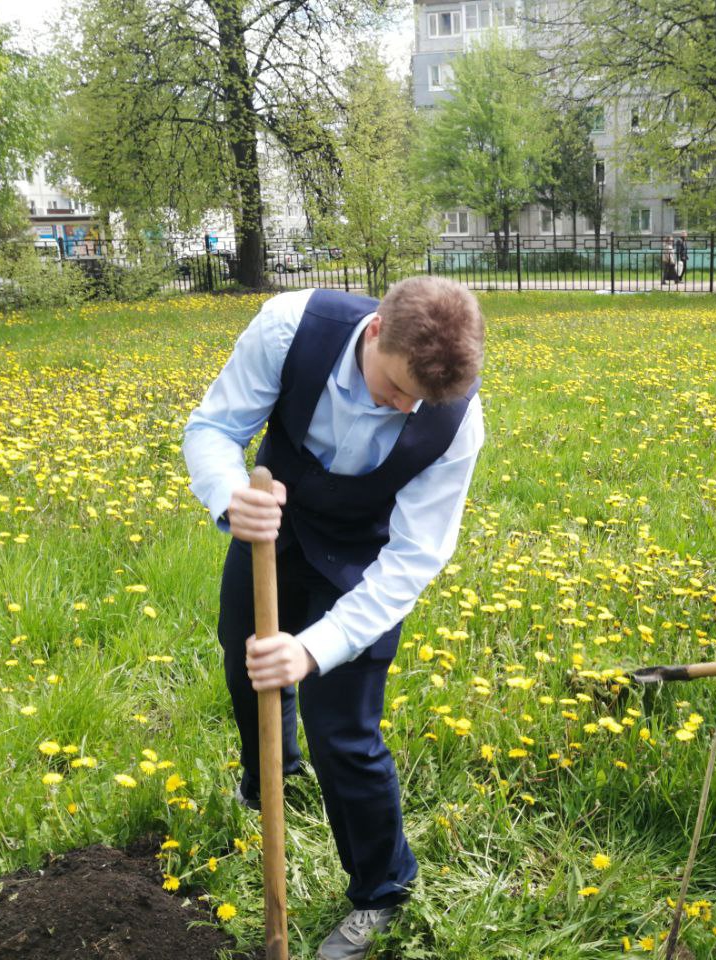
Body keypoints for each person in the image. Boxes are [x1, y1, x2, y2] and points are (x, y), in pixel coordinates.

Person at [183, 279, 485, 960]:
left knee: (343, 728)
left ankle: (382, 888)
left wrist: (316, 649)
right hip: (273, 526)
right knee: (246, 662)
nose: (405, 409)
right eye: (394, 390)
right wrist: (232, 495)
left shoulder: (454, 419)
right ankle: (273, 779)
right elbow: (214, 428)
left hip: (365, 558)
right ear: (376, 330)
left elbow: (413, 558)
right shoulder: (291, 327)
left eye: (418, 403)